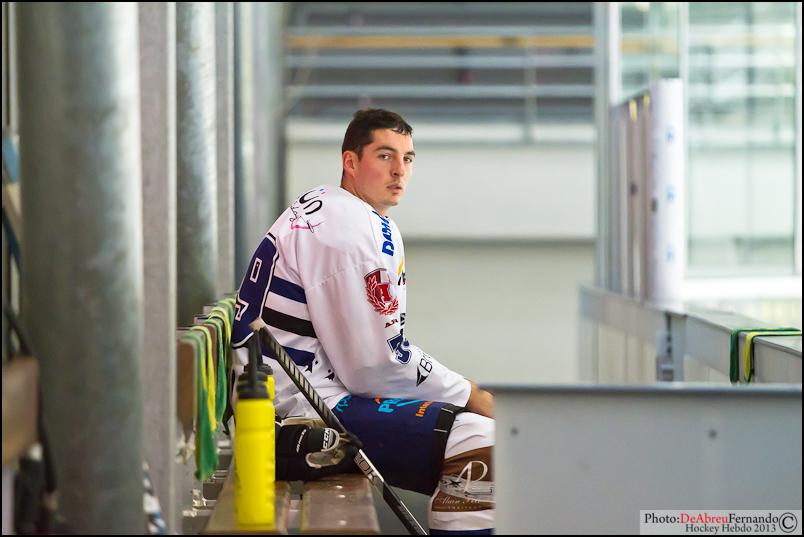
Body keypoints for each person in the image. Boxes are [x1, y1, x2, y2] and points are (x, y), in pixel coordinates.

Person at [232, 108, 495, 534]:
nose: (399, 171)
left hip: (277, 398)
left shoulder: (333, 206)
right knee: (483, 445)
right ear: (350, 161)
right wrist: (470, 394)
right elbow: (374, 367)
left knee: (471, 435)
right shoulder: (351, 233)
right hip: (294, 411)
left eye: (408, 159)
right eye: (385, 156)